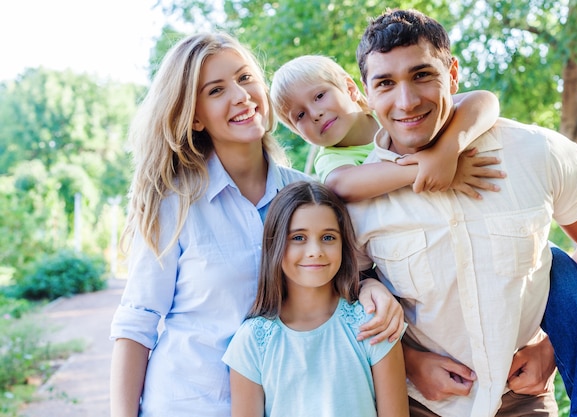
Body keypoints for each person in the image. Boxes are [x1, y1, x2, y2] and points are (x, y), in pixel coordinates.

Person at [108, 32, 404, 417]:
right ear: (194, 116)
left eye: (245, 78)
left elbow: (337, 285)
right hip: (192, 404)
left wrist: (370, 286)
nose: (240, 96)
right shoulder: (174, 205)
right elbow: (136, 325)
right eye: (216, 90)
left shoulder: (309, 194)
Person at [348, 8, 577, 417]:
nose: (406, 100)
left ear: (453, 73)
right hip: (418, 403)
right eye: (385, 83)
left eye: (422, 75)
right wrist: (408, 360)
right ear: (366, 94)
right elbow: (337, 296)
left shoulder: (536, 152)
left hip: (523, 400)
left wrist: (551, 348)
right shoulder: (354, 200)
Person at [223, 180, 409, 417]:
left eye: (328, 237)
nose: (315, 251)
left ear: (344, 244)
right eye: (299, 238)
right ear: (276, 244)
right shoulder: (252, 341)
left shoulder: (372, 324)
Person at [270, 54, 504, 202]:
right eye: (300, 115)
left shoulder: (394, 112)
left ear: (350, 89)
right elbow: (341, 184)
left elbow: (484, 101)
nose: (315, 114)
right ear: (297, 132)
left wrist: (447, 152)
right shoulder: (331, 158)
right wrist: (429, 168)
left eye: (319, 96)